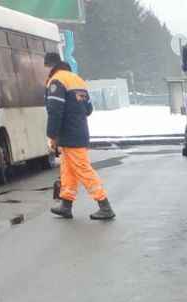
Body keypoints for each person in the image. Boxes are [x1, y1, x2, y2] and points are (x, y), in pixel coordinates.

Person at [44, 52, 114, 221]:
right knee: (68, 169)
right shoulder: (77, 80)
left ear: (50, 66)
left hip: (69, 134)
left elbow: (55, 111)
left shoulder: (56, 81)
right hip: (79, 132)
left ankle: (105, 205)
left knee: (83, 169)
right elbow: (88, 109)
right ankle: (65, 205)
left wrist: (52, 136)